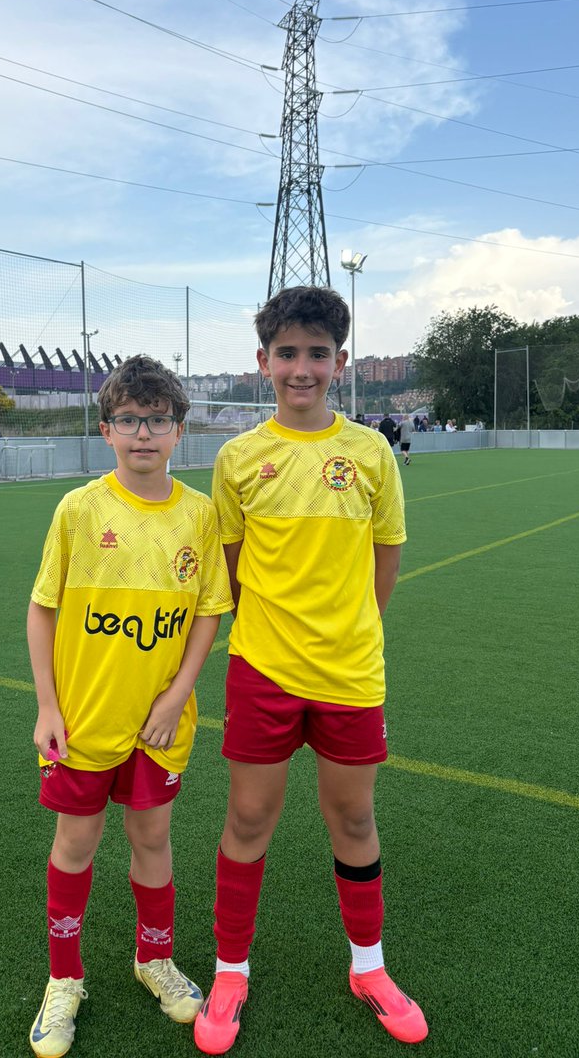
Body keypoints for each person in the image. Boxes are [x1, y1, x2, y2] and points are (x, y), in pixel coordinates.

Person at [194, 286, 427, 1055]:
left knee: (354, 820)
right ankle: (231, 972)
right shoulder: (238, 458)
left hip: (351, 672)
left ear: (341, 362)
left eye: (317, 354)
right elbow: (231, 568)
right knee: (249, 821)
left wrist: (354, 629)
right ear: (262, 363)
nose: (303, 369)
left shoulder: (368, 454)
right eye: (287, 354)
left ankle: (370, 967)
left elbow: (384, 558)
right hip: (262, 669)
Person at [26, 355, 232, 1058]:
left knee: (152, 840)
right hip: (83, 719)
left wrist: (177, 695)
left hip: (160, 724)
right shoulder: (80, 509)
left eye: (157, 421)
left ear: (179, 431)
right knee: (76, 845)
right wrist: (47, 708)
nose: (142, 434)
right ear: (107, 429)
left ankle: (154, 959)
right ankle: (64, 978)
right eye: (128, 421)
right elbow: (42, 609)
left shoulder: (199, 515)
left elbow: (209, 613)